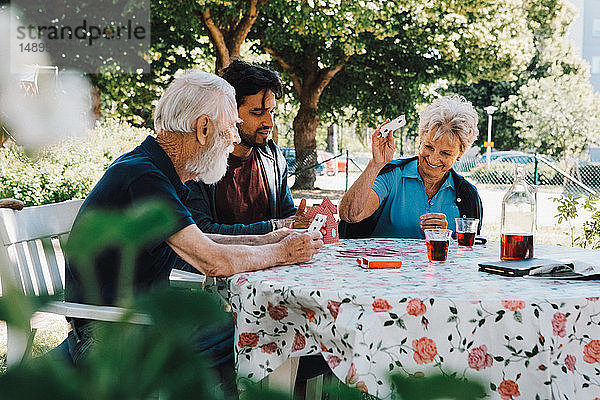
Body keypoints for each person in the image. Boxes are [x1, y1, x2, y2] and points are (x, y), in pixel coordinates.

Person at [64, 70, 323, 392]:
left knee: (271, 328)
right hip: (111, 336)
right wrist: (282, 252)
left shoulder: (154, 168)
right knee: (269, 332)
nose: (232, 139)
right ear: (203, 129)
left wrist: (267, 238)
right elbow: (212, 261)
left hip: (139, 322)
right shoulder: (143, 176)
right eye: (229, 129)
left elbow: (198, 241)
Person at [183, 59, 308, 235]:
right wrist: (276, 227)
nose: (269, 122)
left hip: (274, 261)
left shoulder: (273, 157)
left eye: (271, 111)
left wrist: (305, 220)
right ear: (229, 111)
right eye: (257, 112)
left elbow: (286, 215)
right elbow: (202, 232)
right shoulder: (198, 162)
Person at [338, 95, 483, 238]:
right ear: (421, 138)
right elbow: (350, 215)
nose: (433, 158)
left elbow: (469, 251)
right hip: (385, 261)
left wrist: (444, 237)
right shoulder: (393, 175)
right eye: (428, 146)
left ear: (460, 153)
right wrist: (376, 164)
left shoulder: (466, 194)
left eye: (445, 153)